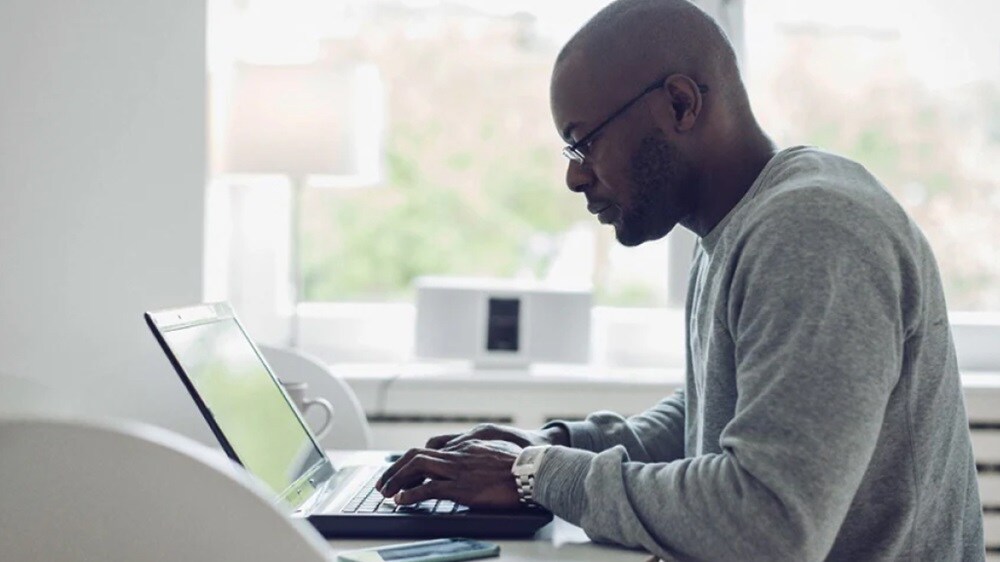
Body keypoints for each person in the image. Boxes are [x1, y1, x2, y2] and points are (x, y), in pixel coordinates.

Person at [376, 0, 986, 560]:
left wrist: (539, 475)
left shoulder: (814, 231)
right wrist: (551, 446)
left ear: (680, 104)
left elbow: (770, 524)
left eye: (583, 143)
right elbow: (716, 416)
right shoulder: (740, 225)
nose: (575, 178)